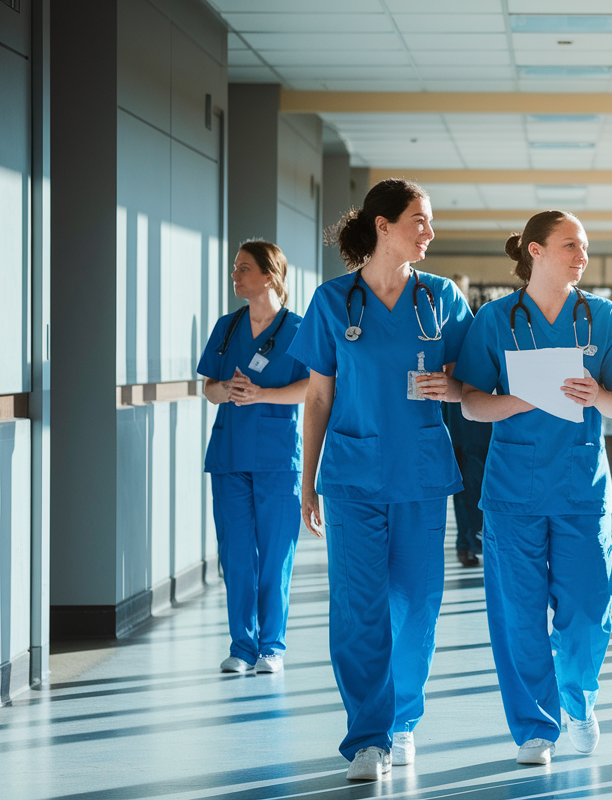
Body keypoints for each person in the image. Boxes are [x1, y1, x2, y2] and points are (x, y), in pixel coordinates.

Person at [287, 179, 474, 781]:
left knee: (417, 607)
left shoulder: (442, 298)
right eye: (419, 220)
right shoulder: (333, 301)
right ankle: (369, 735)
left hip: (420, 474)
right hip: (352, 476)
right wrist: (307, 479)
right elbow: (317, 396)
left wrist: (454, 387)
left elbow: (472, 380)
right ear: (382, 226)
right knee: (358, 608)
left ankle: (403, 719)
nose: (429, 232)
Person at [454, 210, 612, 766]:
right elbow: (470, 402)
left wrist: (597, 397)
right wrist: (525, 398)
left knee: (589, 607)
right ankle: (535, 727)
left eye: (584, 247)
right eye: (570, 246)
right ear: (535, 251)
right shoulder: (495, 319)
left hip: (581, 486)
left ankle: (578, 698)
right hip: (513, 489)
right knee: (518, 613)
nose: (581, 256)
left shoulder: (603, 317)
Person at [197, 241, 309, 676]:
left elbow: (315, 390)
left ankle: (272, 647)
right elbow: (208, 387)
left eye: (244, 268)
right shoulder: (227, 328)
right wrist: (225, 391)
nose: (235, 276)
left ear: (269, 275)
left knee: (276, 556)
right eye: (234, 268)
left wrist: (263, 394)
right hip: (229, 456)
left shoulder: (300, 330)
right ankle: (242, 646)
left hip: (280, 459)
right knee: (237, 555)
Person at [443, 399, 490, 567]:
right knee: (469, 476)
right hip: (464, 410)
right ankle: (468, 542)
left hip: (492, 404)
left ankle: (469, 542)